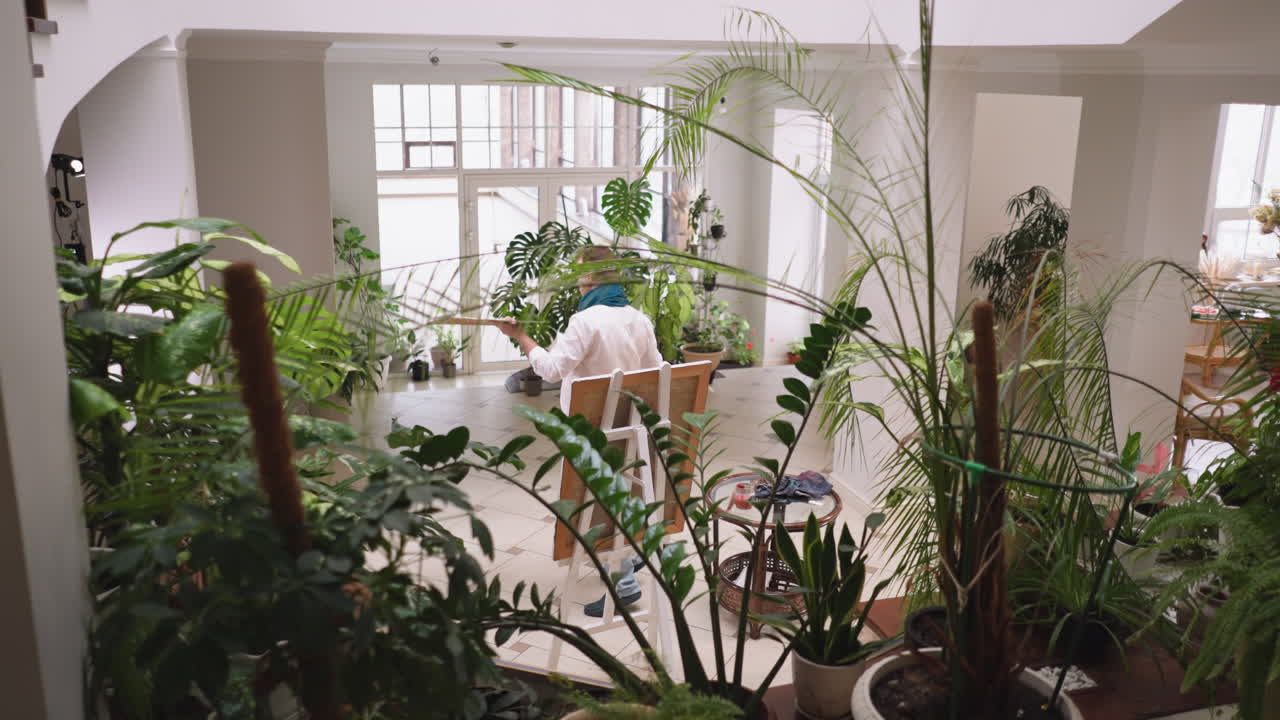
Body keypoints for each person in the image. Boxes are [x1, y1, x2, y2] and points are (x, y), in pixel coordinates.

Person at [497, 245, 662, 617]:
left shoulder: (585, 322)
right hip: (630, 425)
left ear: (590, 278)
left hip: (593, 427)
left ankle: (624, 583)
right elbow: (656, 371)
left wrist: (522, 336)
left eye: (579, 273)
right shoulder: (639, 319)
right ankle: (634, 553)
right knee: (629, 490)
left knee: (602, 501)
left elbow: (552, 370)